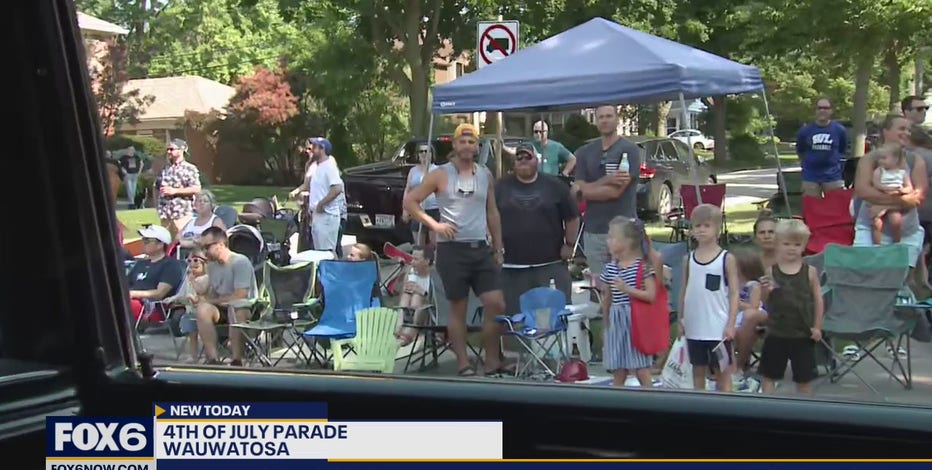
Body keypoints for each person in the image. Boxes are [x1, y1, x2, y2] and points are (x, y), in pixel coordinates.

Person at [402, 123, 507, 377]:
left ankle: (492, 359)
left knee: (496, 303)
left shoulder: (484, 174)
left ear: (477, 146)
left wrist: (498, 245)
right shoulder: (441, 174)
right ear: (455, 145)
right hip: (452, 251)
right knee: (457, 307)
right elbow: (411, 201)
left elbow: (492, 211)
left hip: (480, 248)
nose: (468, 146)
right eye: (463, 141)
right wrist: (435, 225)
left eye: (472, 142)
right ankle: (463, 363)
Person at [496, 143, 580, 314]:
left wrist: (570, 244)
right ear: (514, 163)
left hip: (550, 263)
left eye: (528, 157)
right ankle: (517, 342)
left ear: (537, 161)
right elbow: (489, 217)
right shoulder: (500, 187)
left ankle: (555, 342)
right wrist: (495, 248)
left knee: (553, 316)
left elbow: (572, 216)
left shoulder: (555, 185)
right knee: (514, 318)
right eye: (519, 158)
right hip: (512, 267)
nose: (523, 161)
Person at [571, 105, 643, 279]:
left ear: (617, 119)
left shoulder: (629, 151)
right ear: (596, 121)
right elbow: (574, 190)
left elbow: (614, 193)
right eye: (601, 117)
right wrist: (606, 180)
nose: (605, 120)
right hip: (594, 231)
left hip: (624, 231)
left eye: (609, 116)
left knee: (627, 286)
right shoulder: (585, 152)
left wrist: (584, 190)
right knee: (600, 286)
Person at [852, 114, 927, 272]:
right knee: (866, 277)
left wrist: (882, 206)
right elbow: (863, 191)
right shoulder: (870, 159)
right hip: (870, 231)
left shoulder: (915, 160)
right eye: (901, 128)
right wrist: (900, 200)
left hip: (907, 233)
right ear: (885, 131)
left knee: (899, 282)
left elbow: (918, 196)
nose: (906, 133)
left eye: (908, 129)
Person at [759, 219, 824, 396]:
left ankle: (807, 414)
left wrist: (817, 327)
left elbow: (818, 300)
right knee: (768, 377)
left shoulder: (809, 272)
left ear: (804, 246)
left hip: (802, 333)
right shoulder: (771, 271)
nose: (791, 248)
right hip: (776, 332)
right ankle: (767, 409)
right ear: (778, 244)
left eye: (797, 244)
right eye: (786, 243)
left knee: (803, 380)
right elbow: (765, 301)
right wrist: (766, 290)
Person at [678, 204, 739, 392]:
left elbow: (734, 292)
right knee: (697, 370)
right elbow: (684, 289)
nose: (702, 230)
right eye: (697, 226)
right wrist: (681, 319)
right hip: (695, 326)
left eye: (706, 225)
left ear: (717, 229)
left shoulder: (726, 258)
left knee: (723, 372)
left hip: (718, 328)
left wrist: (730, 323)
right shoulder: (688, 259)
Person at [599, 216, 655, 387]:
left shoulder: (643, 267)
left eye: (612, 237)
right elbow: (608, 298)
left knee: (641, 368)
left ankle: (653, 402)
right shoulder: (610, 268)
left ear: (627, 242)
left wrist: (628, 289)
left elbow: (651, 295)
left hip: (635, 320)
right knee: (618, 369)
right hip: (616, 320)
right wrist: (605, 325)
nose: (608, 241)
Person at [194, 226, 259, 366]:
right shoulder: (212, 266)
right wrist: (203, 299)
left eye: (207, 246)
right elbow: (214, 292)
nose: (204, 251)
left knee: (237, 310)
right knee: (202, 309)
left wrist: (212, 300)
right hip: (222, 307)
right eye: (202, 247)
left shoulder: (240, 262)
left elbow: (240, 295)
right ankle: (213, 359)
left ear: (221, 245)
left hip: (246, 307)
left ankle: (237, 360)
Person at [126, 225, 185, 323]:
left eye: (147, 240)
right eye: (143, 240)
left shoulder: (170, 265)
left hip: (151, 307)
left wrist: (133, 294)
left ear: (160, 244)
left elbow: (159, 293)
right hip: (133, 302)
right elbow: (125, 284)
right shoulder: (140, 263)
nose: (143, 243)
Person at [163, 247, 210, 362]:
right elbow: (182, 293)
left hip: (204, 312)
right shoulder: (189, 278)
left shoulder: (206, 278)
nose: (192, 270)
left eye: (196, 267)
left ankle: (209, 355)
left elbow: (203, 294)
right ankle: (193, 356)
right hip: (190, 312)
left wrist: (194, 296)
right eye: (190, 266)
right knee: (191, 334)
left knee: (205, 335)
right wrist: (172, 299)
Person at [795, 98, 847, 198]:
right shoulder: (805, 131)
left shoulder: (839, 130)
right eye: (819, 108)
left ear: (831, 111)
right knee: (811, 208)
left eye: (826, 108)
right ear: (815, 110)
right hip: (811, 176)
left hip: (833, 176)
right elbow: (800, 150)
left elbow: (842, 149)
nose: (822, 110)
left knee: (835, 208)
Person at [731, 246, 766, 388]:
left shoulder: (753, 285)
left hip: (748, 315)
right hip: (735, 316)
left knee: (740, 326)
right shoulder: (732, 284)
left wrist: (736, 302)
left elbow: (754, 306)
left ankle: (736, 368)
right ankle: (726, 369)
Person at [866, 143, 913, 244]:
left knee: (896, 221)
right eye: (879, 158)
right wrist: (887, 188)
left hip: (895, 200)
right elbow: (876, 184)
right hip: (882, 199)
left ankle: (896, 242)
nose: (880, 161)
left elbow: (909, 187)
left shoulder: (902, 172)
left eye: (884, 158)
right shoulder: (879, 171)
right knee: (876, 221)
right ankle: (877, 244)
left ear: (895, 159)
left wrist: (903, 190)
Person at [157, 139, 201, 239]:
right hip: (165, 212)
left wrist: (175, 191)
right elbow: (156, 186)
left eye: (171, 149)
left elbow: (197, 188)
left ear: (181, 150)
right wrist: (157, 205)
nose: (169, 152)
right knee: (166, 240)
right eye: (168, 149)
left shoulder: (190, 168)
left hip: (182, 212)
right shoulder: (166, 168)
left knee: (181, 240)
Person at [307, 137, 344, 253]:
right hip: (318, 216)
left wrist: (321, 204)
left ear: (322, 149)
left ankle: (332, 271)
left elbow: (337, 188)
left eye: (315, 147)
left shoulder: (329, 166)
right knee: (319, 252)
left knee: (326, 253)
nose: (312, 149)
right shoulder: (318, 166)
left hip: (327, 217)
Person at [403, 144, 440, 247]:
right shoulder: (413, 171)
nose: (424, 154)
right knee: (419, 243)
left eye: (427, 151)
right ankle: (420, 261)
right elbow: (408, 190)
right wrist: (405, 209)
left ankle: (434, 261)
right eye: (421, 151)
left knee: (435, 243)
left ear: (431, 154)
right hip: (417, 209)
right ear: (418, 155)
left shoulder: (437, 170)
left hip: (434, 209)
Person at [395, 245, 433, 346]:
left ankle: (408, 332)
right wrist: (404, 287)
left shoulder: (434, 277)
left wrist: (422, 291)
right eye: (412, 258)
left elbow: (438, 301)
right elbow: (397, 292)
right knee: (406, 295)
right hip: (408, 313)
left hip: (427, 315)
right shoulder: (410, 272)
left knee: (417, 296)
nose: (412, 262)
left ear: (427, 261)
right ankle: (400, 328)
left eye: (416, 259)